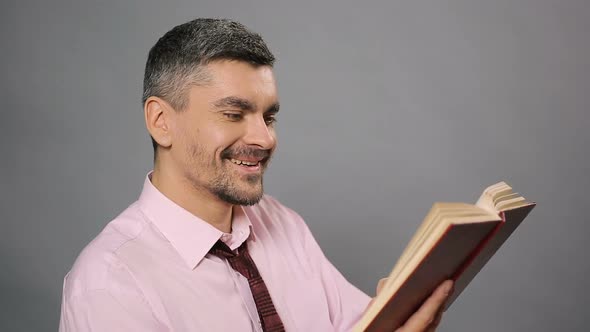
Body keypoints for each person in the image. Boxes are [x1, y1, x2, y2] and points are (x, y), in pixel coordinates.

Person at [59, 18, 453, 331]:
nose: (265, 139)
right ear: (161, 121)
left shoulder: (283, 223)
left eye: (269, 117)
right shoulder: (112, 285)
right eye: (233, 114)